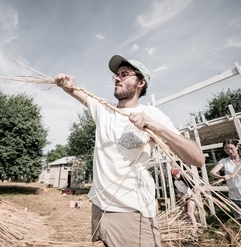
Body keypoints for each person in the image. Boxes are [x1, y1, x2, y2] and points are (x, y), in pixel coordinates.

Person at [55, 55, 205, 247]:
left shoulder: (152, 114)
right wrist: (65, 83)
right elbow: (73, 89)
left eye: (124, 74)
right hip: (99, 210)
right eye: (116, 75)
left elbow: (198, 159)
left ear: (141, 82)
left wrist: (154, 126)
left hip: (133, 213)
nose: (117, 78)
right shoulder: (103, 111)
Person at [171, 168, 198, 241]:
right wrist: (181, 196)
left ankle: (194, 232)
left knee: (190, 213)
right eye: (173, 176)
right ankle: (188, 230)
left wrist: (191, 195)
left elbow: (195, 188)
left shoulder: (185, 178)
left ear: (179, 173)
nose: (175, 177)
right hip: (183, 197)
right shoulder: (174, 181)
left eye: (175, 175)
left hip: (190, 196)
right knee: (184, 213)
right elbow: (176, 190)